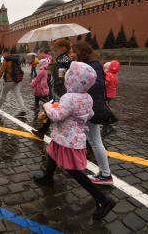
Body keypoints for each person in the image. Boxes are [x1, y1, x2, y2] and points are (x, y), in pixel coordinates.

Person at [33, 61, 116, 220]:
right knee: (52, 152)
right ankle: (48, 177)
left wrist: (49, 107)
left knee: (74, 171)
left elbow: (57, 116)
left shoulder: (68, 97)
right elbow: (90, 114)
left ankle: (103, 200)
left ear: (71, 79)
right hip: (71, 137)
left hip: (67, 139)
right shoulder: (88, 97)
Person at [71, 41, 113, 185]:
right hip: (89, 106)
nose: (71, 54)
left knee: (95, 142)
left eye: (73, 51)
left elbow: (98, 84)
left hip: (92, 107)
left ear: (80, 51)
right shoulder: (89, 63)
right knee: (94, 141)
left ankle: (106, 175)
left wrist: (80, 82)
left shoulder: (93, 64)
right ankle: (103, 172)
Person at [32, 39, 72, 139]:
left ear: (63, 48)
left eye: (56, 48)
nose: (54, 49)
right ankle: (42, 131)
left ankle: (85, 144)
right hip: (59, 90)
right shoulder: (62, 59)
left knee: (56, 110)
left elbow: (61, 77)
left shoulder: (63, 60)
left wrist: (58, 90)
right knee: (52, 110)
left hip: (60, 91)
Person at [0, 49, 27, 118]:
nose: (2, 56)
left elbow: (1, 71)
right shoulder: (15, 59)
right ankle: (23, 110)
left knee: (3, 94)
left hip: (9, 80)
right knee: (18, 95)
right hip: (16, 79)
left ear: (5, 53)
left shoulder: (6, 60)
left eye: (2, 54)